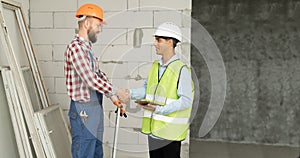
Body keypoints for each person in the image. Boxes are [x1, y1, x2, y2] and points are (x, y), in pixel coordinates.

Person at [117, 22, 194, 158]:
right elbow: (147, 90)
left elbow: (186, 101)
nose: (154, 43)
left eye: (158, 40)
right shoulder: (155, 66)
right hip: (154, 132)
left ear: (170, 42)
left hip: (170, 134)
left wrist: (159, 109)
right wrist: (130, 94)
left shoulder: (182, 70)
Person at [64, 4, 125, 158]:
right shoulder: (76, 48)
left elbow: (98, 74)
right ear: (87, 23)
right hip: (83, 109)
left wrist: (113, 97)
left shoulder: (87, 48)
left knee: (96, 150)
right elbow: (90, 80)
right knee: (85, 151)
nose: (99, 29)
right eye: (98, 25)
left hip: (95, 107)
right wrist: (115, 90)